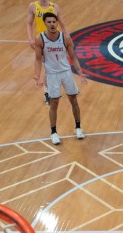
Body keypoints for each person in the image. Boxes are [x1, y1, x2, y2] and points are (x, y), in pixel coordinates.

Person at [33, 12, 87, 145]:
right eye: (49, 22)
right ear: (45, 23)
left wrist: (80, 72)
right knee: (54, 103)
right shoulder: (40, 39)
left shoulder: (65, 37)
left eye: (54, 22)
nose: (52, 24)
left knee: (73, 99)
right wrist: (37, 76)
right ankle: (53, 132)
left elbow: (73, 57)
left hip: (66, 72)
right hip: (52, 74)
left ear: (57, 23)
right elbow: (38, 59)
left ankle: (78, 128)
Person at [27, 0, 68, 105]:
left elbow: (62, 24)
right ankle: (47, 93)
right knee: (48, 68)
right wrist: (30, 38)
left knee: (60, 65)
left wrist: (67, 37)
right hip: (42, 41)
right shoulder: (33, 6)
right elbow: (29, 24)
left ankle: (63, 87)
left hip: (56, 40)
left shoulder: (54, 7)